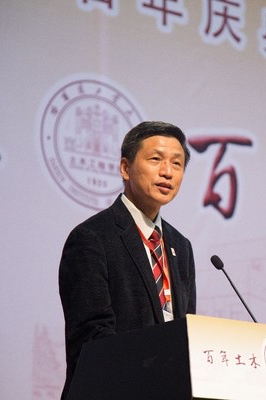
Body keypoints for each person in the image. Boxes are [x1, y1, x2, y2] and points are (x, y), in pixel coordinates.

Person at [58, 120, 196, 399]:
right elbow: (91, 338)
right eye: (155, 159)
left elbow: (186, 331)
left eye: (177, 163)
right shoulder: (91, 238)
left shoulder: (181, 246)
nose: (167, 172)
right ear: (125, 168)